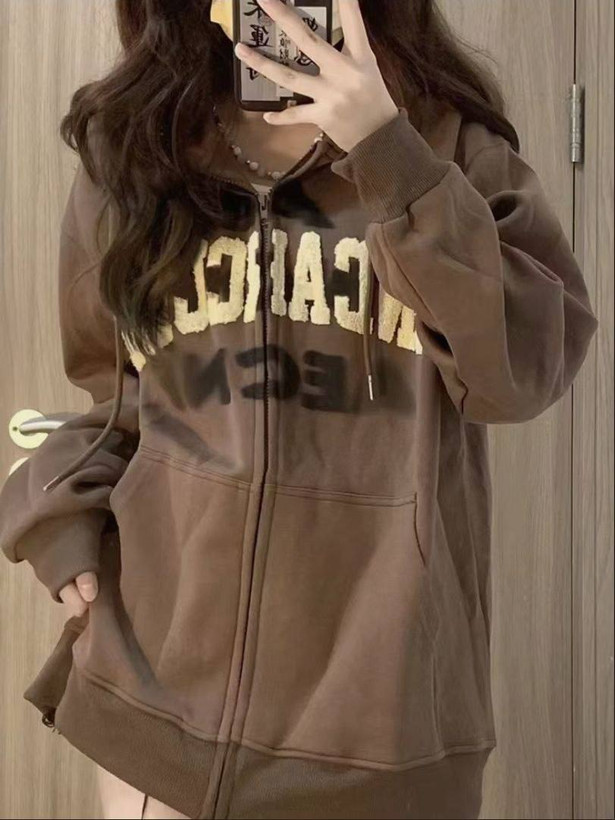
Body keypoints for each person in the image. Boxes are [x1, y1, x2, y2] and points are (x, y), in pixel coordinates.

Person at [0, 0, 599, 818]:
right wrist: (58, 513)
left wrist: (387, 153)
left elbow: (517, 375)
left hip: (378, 729)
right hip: (152, 703)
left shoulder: (450, 147)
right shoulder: (133, 144)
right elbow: (121, 398)